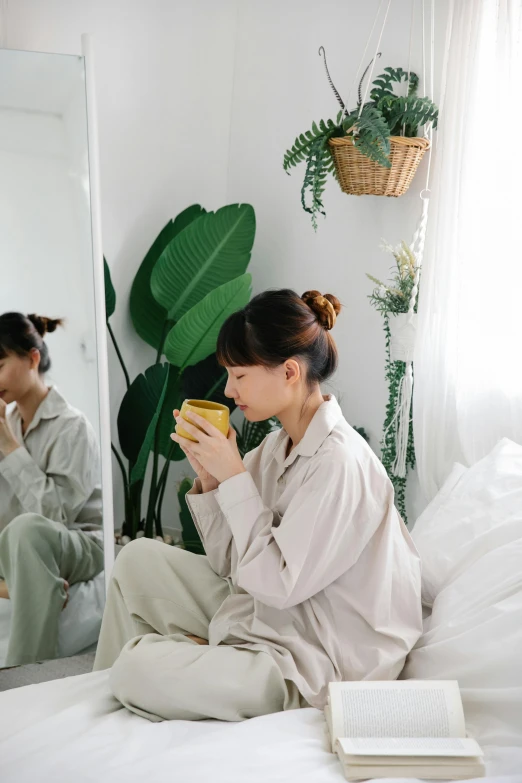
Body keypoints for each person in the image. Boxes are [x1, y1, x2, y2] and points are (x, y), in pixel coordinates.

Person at [94, 289, 422, 722]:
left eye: (240, 375)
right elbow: (231, 564)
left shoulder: (340, 464)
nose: (229, 390)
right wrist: (213, 482)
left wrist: (233, 478)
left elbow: (276, 584)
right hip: (274, 618)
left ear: (289, 372)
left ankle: (174, 660)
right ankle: (110, 698)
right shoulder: (273, 449)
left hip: (315, 660)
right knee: (135, 560)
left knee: (136, 666)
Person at [0, 312, 104, 666]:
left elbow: (56, 517)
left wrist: (8, 445)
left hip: (79, 543)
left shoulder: (72, 426)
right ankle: (29, 583)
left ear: (32, 359)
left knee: (27, 531)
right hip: (23, 545)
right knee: (20, 534)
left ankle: (22, 675)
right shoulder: (9, 422)